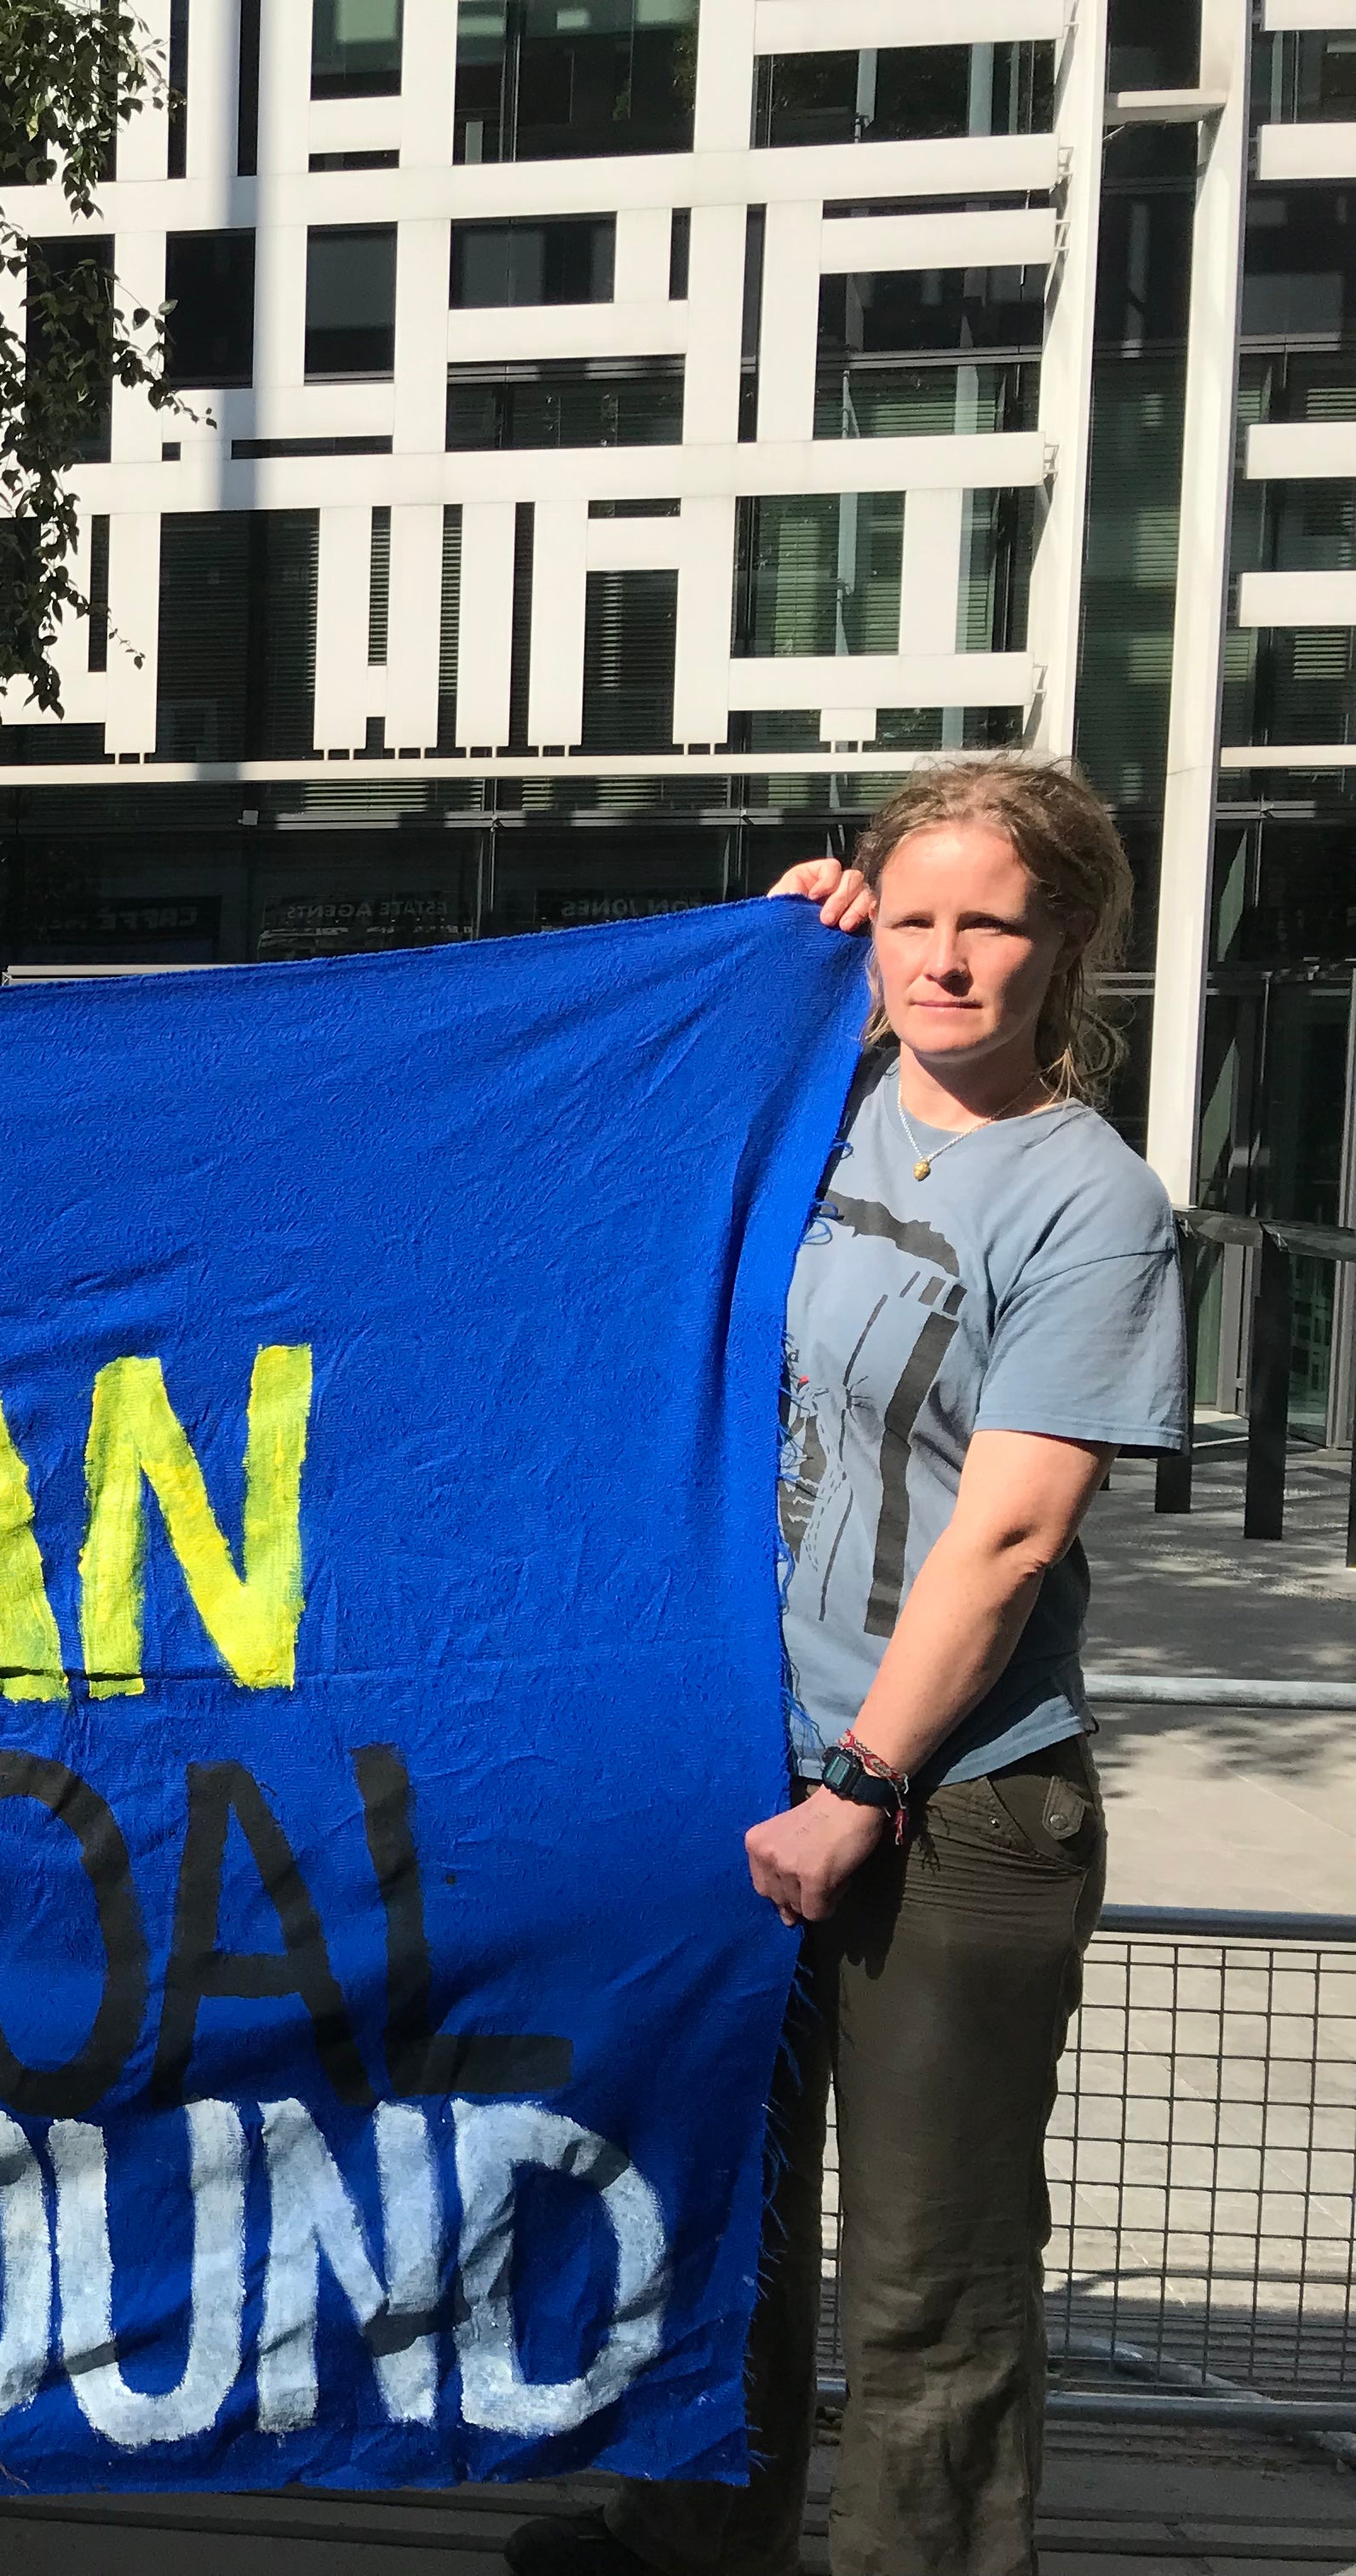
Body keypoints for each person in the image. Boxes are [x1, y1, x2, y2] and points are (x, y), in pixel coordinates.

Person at [508, 754, 1188, 2576]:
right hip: (742, 1756)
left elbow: (1016, 1532)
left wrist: (863, 1788)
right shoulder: (834, 1092)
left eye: (995, 925)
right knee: (717, 2221)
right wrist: (772, 958)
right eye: (916, 918)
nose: (947, 961)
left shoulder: (1088, 1203)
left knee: (928, 2283)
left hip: (947, 1806)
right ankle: (693, 2549)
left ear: (1070, 953)